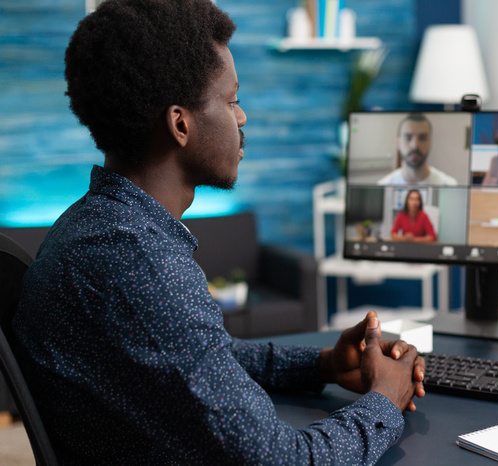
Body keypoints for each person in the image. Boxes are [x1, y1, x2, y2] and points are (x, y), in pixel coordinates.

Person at [12, 1, 424, 464]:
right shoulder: (138, 262)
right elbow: (284, 461)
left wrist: (325, 364)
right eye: (231, 100)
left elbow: (205, 358)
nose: (242, 117)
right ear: (180, 124)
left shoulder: (94, 225)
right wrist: (385, 398)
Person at [378, 113, 458, 185]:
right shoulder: (383, 185)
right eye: (408, 138)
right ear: (398, 143)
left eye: (422, 138)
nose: (415, 145)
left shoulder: (449, 185)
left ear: (430, 142)